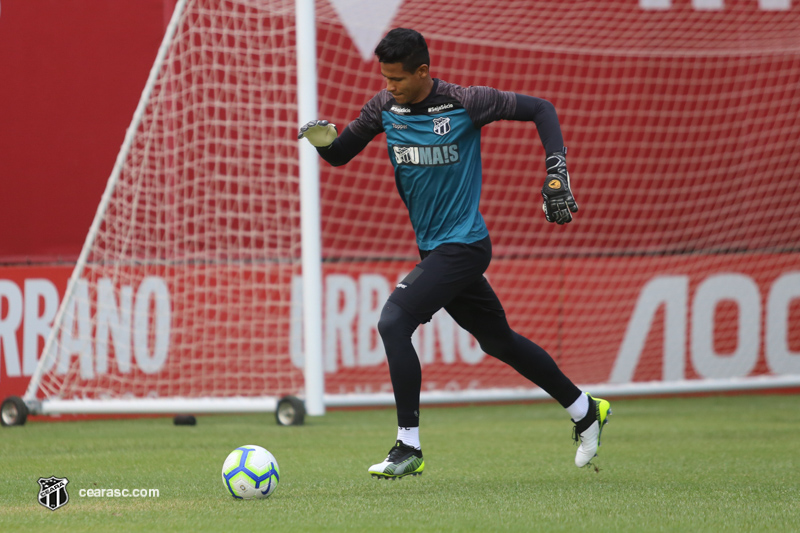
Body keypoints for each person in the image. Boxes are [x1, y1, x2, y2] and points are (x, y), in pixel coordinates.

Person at [298, 28, 611, 479]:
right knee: (498, 341)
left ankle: (408, 446)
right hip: (435, 249)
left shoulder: (467, 102)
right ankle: (585, 408)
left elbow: (542, 109)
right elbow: (342, 154)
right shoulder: (383, 107)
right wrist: (325, 141)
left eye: (398, 79)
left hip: (464, 245)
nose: (390, 87)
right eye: (385, 78)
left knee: (393, 321)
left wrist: (556, 172)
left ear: (423, 71)